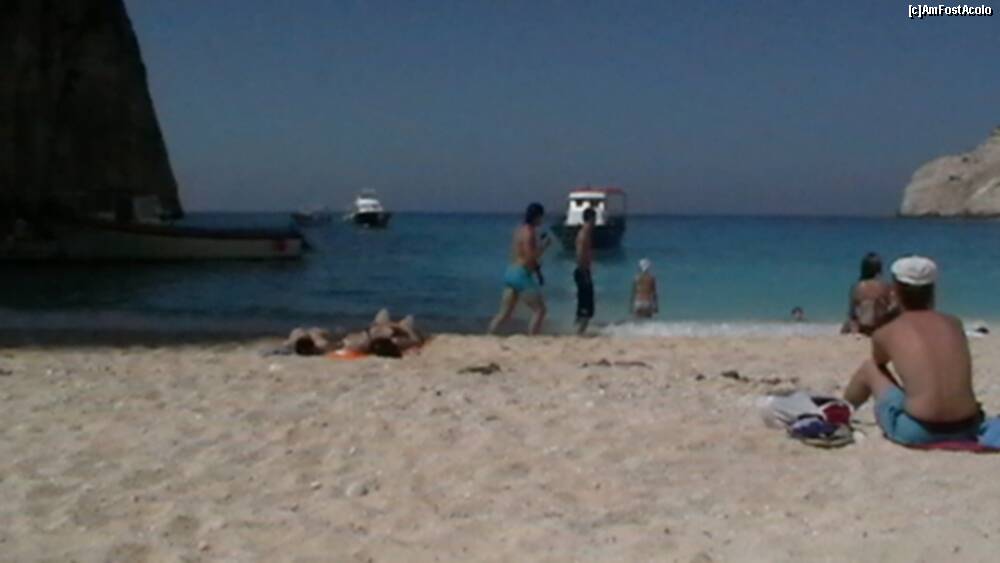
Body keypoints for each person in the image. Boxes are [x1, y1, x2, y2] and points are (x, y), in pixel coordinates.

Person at [843, 256, 983, 445]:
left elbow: (880, 362)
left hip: (919, 430)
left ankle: (840, 412)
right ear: (932, 290)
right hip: (969, 426)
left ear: (895, 291)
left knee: (870, 368)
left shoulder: (887, 331)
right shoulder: (954, 323)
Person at [488, 203, 551, 335]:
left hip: (511, 271)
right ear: (536, 217)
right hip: (521, 275)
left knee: (504, 313)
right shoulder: (530, 232)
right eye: (541, 217)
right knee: (540, 310)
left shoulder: (519, 230)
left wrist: (538, 272)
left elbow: (521, 253)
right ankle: (532, 338)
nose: (542, 220)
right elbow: (530, 257)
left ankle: (490, 335)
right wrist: (543, 246)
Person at [841, 252, 894, 335]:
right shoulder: (886, 286)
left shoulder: (856, 287)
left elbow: (852, 313)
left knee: (849, 322)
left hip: (862, 328)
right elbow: (892, 307)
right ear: (879, 269)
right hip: (880, 326)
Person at [574, 208, 597, 334]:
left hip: (584, 270)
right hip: (582, 271)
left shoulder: (586, 234)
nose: (595, 222)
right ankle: (579, 332)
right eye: (594, 219)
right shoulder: (583, 234)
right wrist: (584, 271)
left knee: (586, 305)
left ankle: (579, 330)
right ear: (591, 219)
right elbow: (579, 254)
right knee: (586, 306)